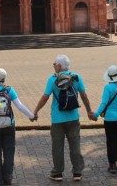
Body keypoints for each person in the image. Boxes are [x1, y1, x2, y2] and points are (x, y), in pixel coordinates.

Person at [32, 54, 95, 182]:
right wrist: (89, 111)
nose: (54, 66)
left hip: (57, 119)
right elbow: (83, 95)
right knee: (75, 146)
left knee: (57, 147)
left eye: (54, 64)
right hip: (73, 117)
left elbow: (45, 97)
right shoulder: (76, 77)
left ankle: (57, 173)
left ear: (59, 66)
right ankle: (77, 172)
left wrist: (36, 111)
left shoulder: (52, 79)